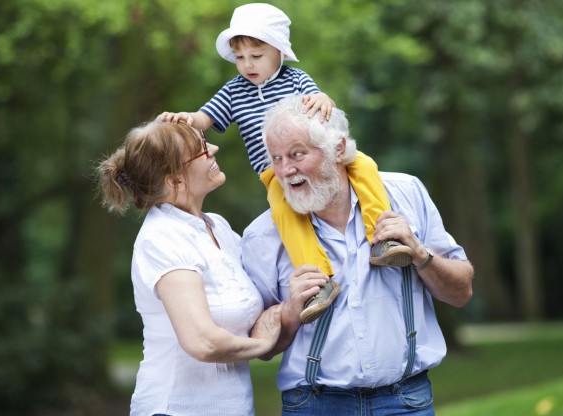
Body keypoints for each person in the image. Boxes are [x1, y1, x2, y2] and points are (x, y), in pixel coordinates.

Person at [160, 3, 414, 324]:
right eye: (240, 57)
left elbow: (318, 99)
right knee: (286, 213)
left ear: (279, 51)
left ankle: (382, 238)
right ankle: (318, 277)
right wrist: (187, 119)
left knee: (364, 166)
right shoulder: (233, 91)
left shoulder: (296, 79)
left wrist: (324, 99)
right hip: (273, 172)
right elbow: (204, 118)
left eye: (256, 55)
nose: (247, 65)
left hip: (315, 156)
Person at [241, 95, 474, 415]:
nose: (285, 170)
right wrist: (291, 310)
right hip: (314, 404)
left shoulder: (406, 193)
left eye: (296, 154)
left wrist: (420, 254)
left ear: (338, 149)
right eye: (276, 158)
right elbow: (261, 347)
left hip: (406, 402)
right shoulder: (262, 235)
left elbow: (462, 292)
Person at [94, 119, 282, 416]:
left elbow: (262, 310)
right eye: (201, 149)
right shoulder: (163, 237)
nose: (214, 148)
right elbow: (202, 341)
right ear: (173, 180)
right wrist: (261, 344)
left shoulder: (217, 227)